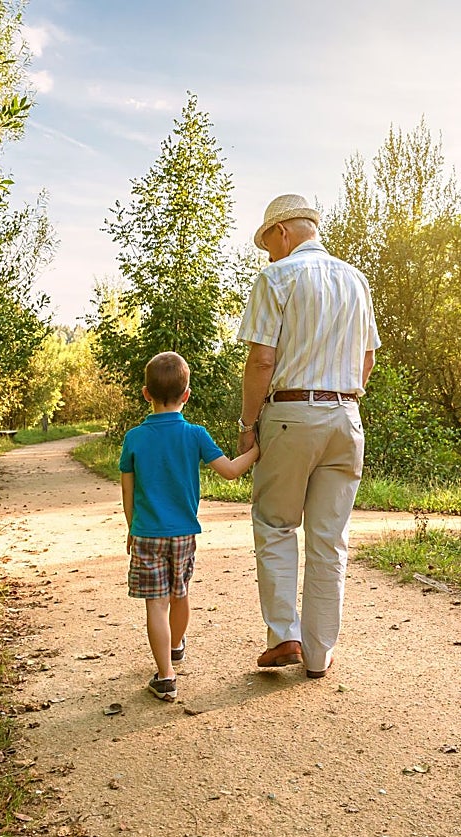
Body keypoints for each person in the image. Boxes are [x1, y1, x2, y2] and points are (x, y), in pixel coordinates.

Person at [236, 193, 380, 679]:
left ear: (282, 232)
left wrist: (247, 425)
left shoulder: (277, 277)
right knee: (329, 539)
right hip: (346, 416)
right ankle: (319, 655)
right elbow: (367, 359)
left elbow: (262, 360)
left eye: (268, 245)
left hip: (290, 415)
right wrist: (343, 400)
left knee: (276, 524)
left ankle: (284, 636)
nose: (268, 256)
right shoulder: (356, 280)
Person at [120, 351, 260, 701]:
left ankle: (166, 675)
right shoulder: (195, 434)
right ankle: (176, 645)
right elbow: (230, 471)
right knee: (179, 593)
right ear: (187, 394)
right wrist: (257, 450)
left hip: (147, 533)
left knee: (156, 604)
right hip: (184, 533)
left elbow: (128, 490)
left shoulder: (134, 438)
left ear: (146, 394)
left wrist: (131, 527)